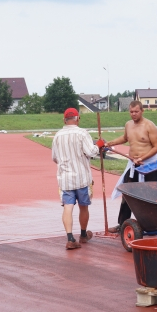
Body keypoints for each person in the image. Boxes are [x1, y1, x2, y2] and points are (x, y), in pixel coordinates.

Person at [105, 101, 157, 233]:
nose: (133, 114)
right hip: (133, 165)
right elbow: (125, 138)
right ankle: (123, 224)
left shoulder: (150, 126)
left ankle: (152, 225)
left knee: (150, 196)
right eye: (131, 112)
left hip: (148, 165)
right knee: (127, 194)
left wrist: (142, 158)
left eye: (136, 112)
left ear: (142, 111)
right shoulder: (128, 124)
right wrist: (110, 142)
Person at [51, 107, 101, 250]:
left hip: (65, 179)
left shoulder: (57, 136)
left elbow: (54, 158)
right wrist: (98, 145)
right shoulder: (82, 133)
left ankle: (70, 238)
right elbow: (91, 152)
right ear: (78, 118)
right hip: (82, 178)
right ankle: (83, 235)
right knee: (83, 206)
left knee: (68, 206)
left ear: (64, 120)